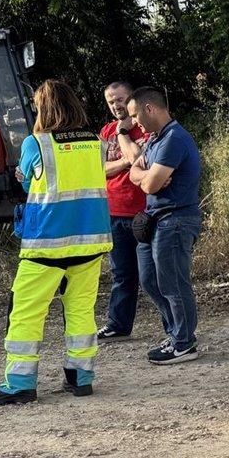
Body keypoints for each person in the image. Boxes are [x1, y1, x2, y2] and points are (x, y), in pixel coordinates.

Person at [0, 79, 111, 405]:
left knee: (25, 312)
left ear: (42, 108)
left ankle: (20, 383)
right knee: (80, 310)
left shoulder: (35, 143)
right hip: (90, 242)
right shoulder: (96, 142)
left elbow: (28, 183)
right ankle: (82, 377)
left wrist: (24, 178)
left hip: (47, 244)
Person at [127, 86, 203, 365]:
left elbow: (149, 183)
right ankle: (175, 333)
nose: (133, 122)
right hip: (155, 221)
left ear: (150, 109)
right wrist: (146, 175)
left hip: (176, 220)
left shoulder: (174, 139)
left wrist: (147, 177)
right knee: (149, 279)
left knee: (173, 283)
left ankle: (184, 342)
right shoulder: (154, 140)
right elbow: (135, 172)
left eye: (135, 115)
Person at [97, 81, 150, 340]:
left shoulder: (144, 127)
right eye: (111, 101)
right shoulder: (105, 131)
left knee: (155, 275)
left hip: (143, 212)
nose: (116, 105)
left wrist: (124, 134)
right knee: (122, 274)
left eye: (120, 99)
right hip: (114, 212)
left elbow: (137, 156)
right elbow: (97, 169)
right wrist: (124, 162)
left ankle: (176, 329)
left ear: (131, 99)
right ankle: (118, 326)